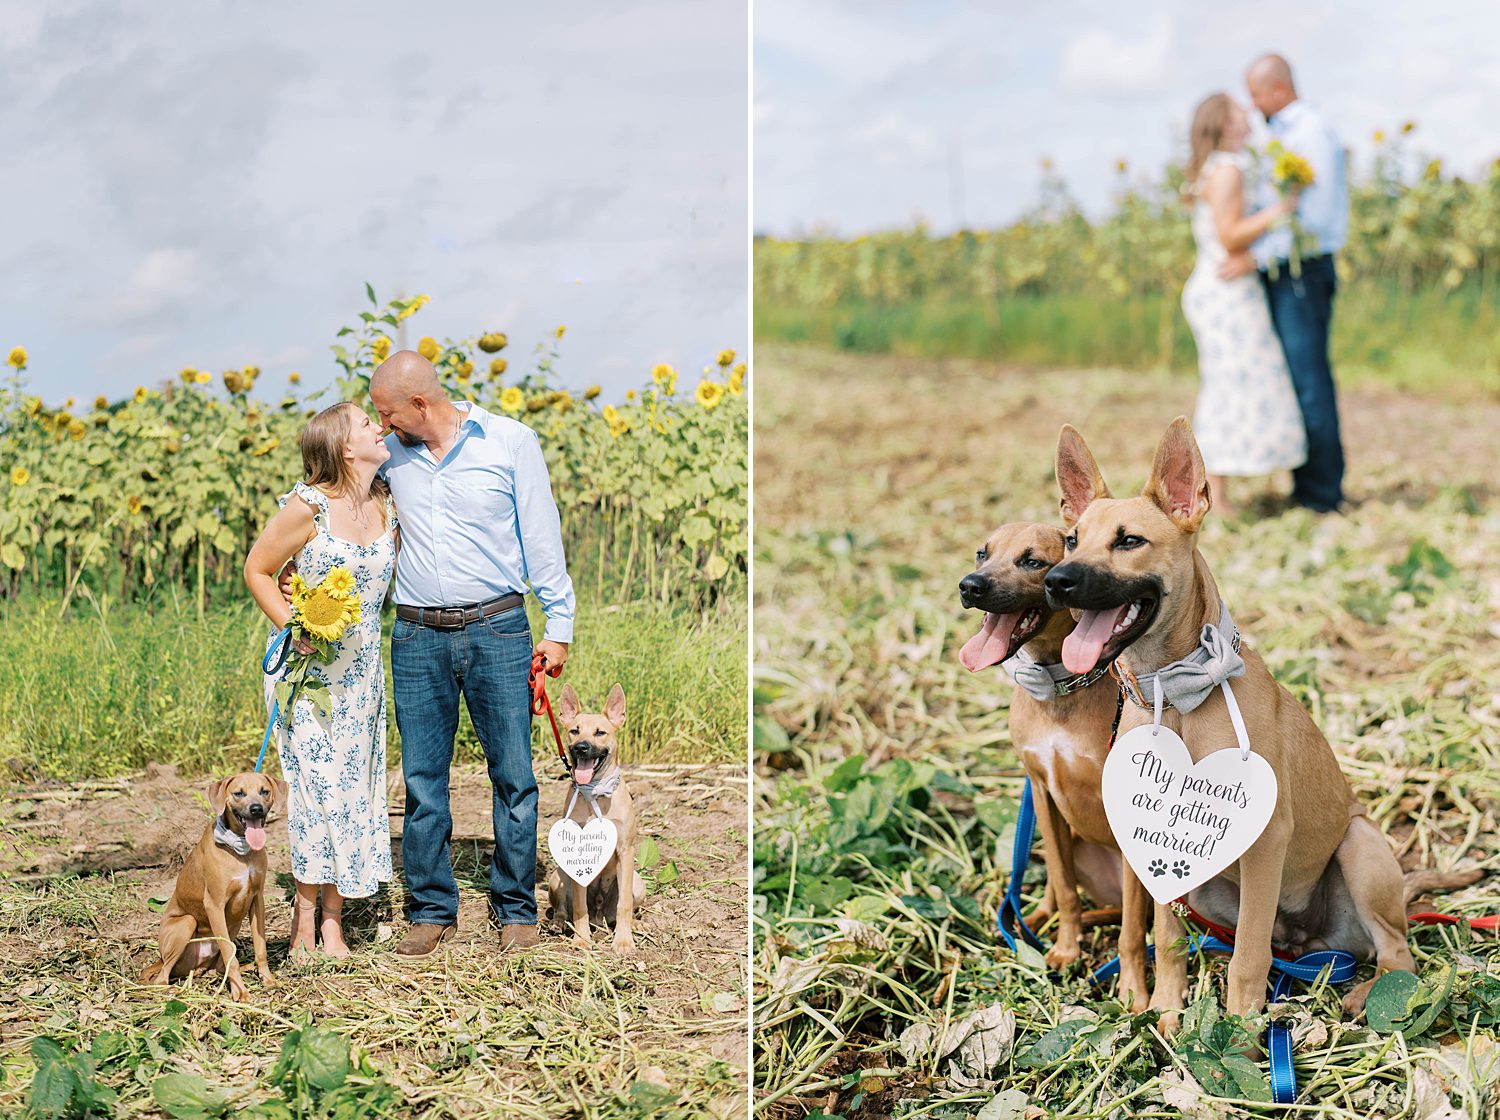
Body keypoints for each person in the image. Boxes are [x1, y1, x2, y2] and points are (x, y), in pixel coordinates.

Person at [369, 350, 574, 958]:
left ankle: (516, 907)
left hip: (498, 629)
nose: (381, 426)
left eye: (387, 413)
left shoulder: (510, 442)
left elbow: (541, 534)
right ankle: (431, 907)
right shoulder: (387, 457)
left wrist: (557, 626)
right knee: (422, 779)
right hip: (415, 635)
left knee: (513, 774)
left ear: (420, 405)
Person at [245, 402, 397, 960]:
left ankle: (335, 918)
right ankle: (304, 921)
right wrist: (294, 627)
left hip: (361, 675)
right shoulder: (306, 507)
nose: (378, 429)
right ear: (342, 446)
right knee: (316, 792)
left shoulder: (387, 503)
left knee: (354, 793)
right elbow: (257, 569)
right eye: (365, 424)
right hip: (307, 674)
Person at [1181, 92, 1308, 515]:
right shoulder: (1229, 169)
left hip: (1224, 287)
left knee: (1231, 382)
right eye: (1239, 113)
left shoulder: (1217, 167)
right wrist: (1281, 209)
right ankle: (1215, 491)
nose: (1248, 117)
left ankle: (1219, 486)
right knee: (1227, 384)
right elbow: (1230, 234)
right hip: (1226, 292)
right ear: (1224, 124)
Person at [1241, 52, 1349, 513]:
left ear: (1279, 89)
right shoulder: (1281, 134)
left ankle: (1321, 493)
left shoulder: (1309, 133)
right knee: (1293, 378)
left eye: (1257, 93)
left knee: (1309, 380)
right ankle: (1305, 484)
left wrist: (1259, 256)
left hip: (1301, 269)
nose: (1253, 104)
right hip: (1285, 268)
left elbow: (1315, 217)